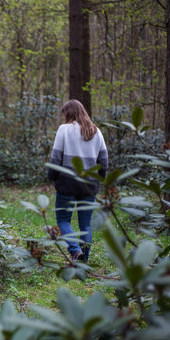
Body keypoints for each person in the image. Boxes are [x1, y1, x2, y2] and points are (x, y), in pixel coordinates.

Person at [47, 99, 108, 263]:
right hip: (89, 184)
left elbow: (56, 157)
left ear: (69, 113)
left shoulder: (64, 130)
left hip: (67, 182)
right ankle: (83, 261)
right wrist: (99, 178)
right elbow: (104, 160)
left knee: (63, 220)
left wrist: (52, 176)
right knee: (85, 225)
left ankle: (75, 251)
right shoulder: (96, 131)